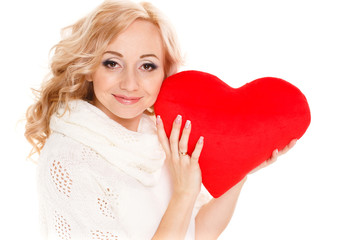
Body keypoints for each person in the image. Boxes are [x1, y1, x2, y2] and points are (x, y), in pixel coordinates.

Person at [25, 0, 296, 239]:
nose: (130, 83)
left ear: (165, 73)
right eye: (112, 63)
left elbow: (198, 232)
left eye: (147, 66)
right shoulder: (68, 160)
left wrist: (242, 166)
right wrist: (183, 194)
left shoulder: (159, 136)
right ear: (88, 68)